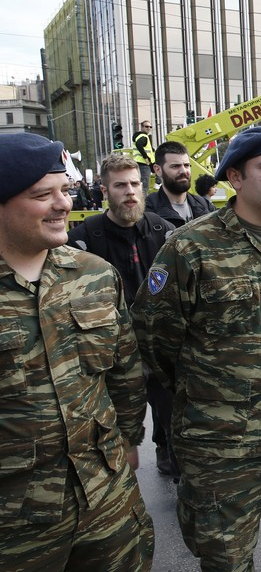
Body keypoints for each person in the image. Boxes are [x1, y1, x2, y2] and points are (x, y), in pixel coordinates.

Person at [131, 127, 261, 570]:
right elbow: (155, 340)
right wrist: (212, 395)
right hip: (222, 444)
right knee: (225, 560)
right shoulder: (190, 248)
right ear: (235, 178)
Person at [0, 133, 153, 570]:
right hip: (16, 522)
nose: (64, 204)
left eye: (64, 190)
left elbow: (124, 371)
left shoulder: (94, 275)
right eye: (42, 194)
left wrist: (127, 439)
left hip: (105, 499)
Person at [67, 154, 178, 477]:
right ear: (104, 191)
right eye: (120, 186)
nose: (130, 192)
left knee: (171, 411)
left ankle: (167, 451)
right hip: (110, 350)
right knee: (108, 424)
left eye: (135, 184)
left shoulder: (164, 232)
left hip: (158, 343)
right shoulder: (84, 239)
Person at [145, 141, 216, 227]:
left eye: (186, 165)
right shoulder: (147, 211)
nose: (183, 171)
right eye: (175, 166)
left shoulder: (205, 206)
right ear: (158, 170)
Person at [132, 119, 155, 194]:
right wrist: (146, 157)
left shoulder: (140, 136)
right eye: (146, 126)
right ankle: (144, 204)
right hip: (143, 164)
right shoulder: (143, 136)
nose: (148, 128)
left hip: (139, 163)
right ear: (142, 127)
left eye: (150, 127)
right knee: (144, 187)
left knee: (142, 185)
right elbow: (139, 144)